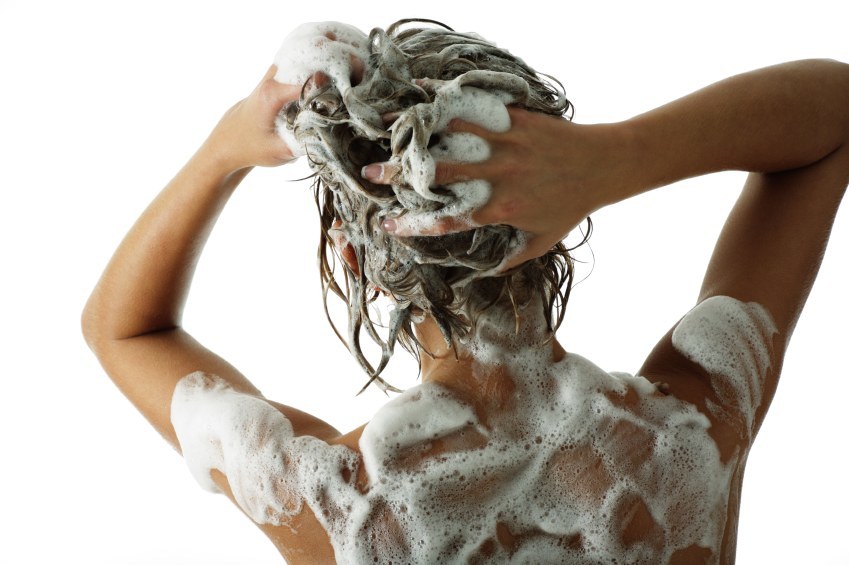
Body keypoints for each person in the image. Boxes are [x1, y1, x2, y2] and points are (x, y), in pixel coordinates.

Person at [81, 20, 849, 565]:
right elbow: (834, 114)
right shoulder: (690, 433)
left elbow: (123, 329)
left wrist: (226, 145)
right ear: (558, 210)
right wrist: (613, 158)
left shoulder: (345, 511)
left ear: (354, 259)